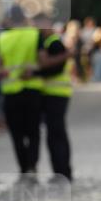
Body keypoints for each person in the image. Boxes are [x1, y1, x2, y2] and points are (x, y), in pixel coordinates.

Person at [0, 5, 43, 178]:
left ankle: (23, 167)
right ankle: (32, 164)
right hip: (32, 89)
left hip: (10, 91)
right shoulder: (34, 34)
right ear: (24, 18)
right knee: (33, 132)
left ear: (9, 19)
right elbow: (41, 59)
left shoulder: (2, 38)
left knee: (16, 133)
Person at [36, 14, 73, 182]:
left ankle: (62, 172)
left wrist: (35, 72)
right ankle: (62, 171)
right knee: (56, 134)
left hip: (56, 94)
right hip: (55, 94)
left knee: (55, 135)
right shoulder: (51, 42)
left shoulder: (53, 43)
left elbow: (55, 69)